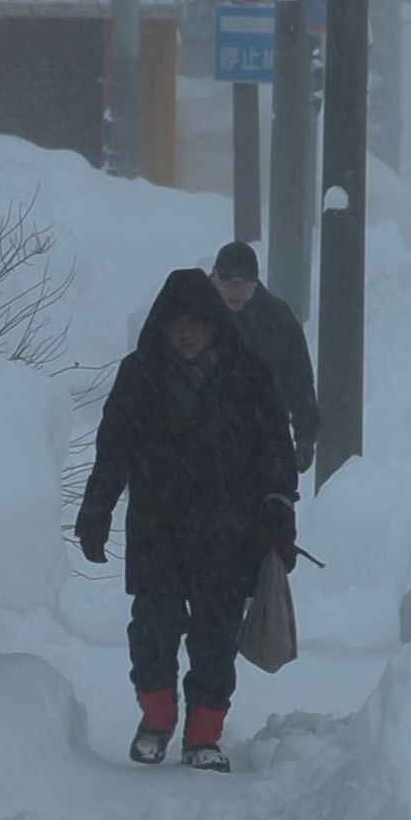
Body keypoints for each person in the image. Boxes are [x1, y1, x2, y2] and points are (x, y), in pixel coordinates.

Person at [75, 268, 299, 773]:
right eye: (177, 323)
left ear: (216, 324)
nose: (187, 333)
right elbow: (113, 450)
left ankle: (203, 737)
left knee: (215, 637)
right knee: (153, 629)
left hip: (229, 531)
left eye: (197, 322)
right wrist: (97, 510)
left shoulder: (249, 374)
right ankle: (156, 722)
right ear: (161, 325)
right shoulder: (139, 374)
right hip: (159, 527)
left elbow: (276, 452)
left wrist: (279, 510)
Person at [209, 242, 320, 476]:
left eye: (246, 283)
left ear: (257, 281)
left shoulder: (277, 318)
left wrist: (305, 436)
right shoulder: (192, 314)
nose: (237, 291)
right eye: (231, 283)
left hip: (264, 440)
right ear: (215, 276)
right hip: (201, 444)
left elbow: (298, 379)